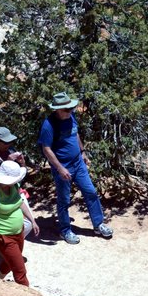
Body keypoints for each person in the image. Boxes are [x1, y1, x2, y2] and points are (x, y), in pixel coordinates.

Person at [37, 92, 113, 244]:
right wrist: (60, 168)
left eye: (71, 107)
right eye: (67, 109)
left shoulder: (70, 116)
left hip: (78, 163)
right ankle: (65, 231)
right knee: (64, 199)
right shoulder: (49, 125)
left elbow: (75, 133)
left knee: (90, 192)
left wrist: (83, 152)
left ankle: (98, 225)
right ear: (57, 109)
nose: (70, 111)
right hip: (63, 167)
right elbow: (46, 149)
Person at [0, 160, 39, 286]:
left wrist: (32, 220)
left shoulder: (14, 186)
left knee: (10, 261)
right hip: (3, 236)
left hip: (19, 232)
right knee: (20, 270)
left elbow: (20, 202)